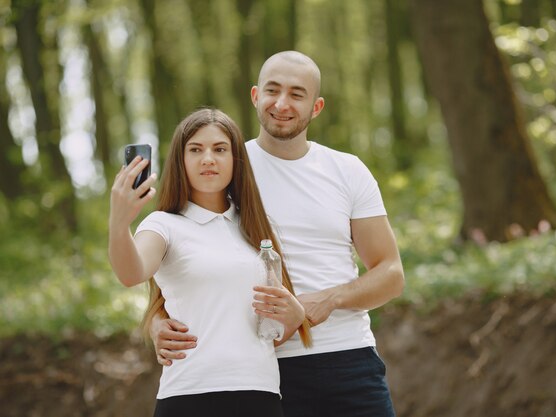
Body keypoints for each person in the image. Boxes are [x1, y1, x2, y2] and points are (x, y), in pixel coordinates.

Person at [152, 51, 405, 417]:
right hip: (260, 371)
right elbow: (174, 252)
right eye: (272, 90)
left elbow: (391, 274)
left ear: (316, 107)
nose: (282, 104)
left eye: (296, 94)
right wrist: (157, 323)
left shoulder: (347, 170)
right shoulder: (225, 168)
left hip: (348, 361)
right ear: (255, 96)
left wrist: (327, 300)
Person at [108, 108, 311, 417]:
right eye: (195, 149)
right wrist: (119, 223)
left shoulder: (255, 226)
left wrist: (296, 316)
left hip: (260, 393)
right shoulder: (163, 225)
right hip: (190, 395)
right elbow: (130, 273)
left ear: (235, 160)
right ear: (180, 160)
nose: (208, 159)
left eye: (219, 149)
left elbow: (267, 328)